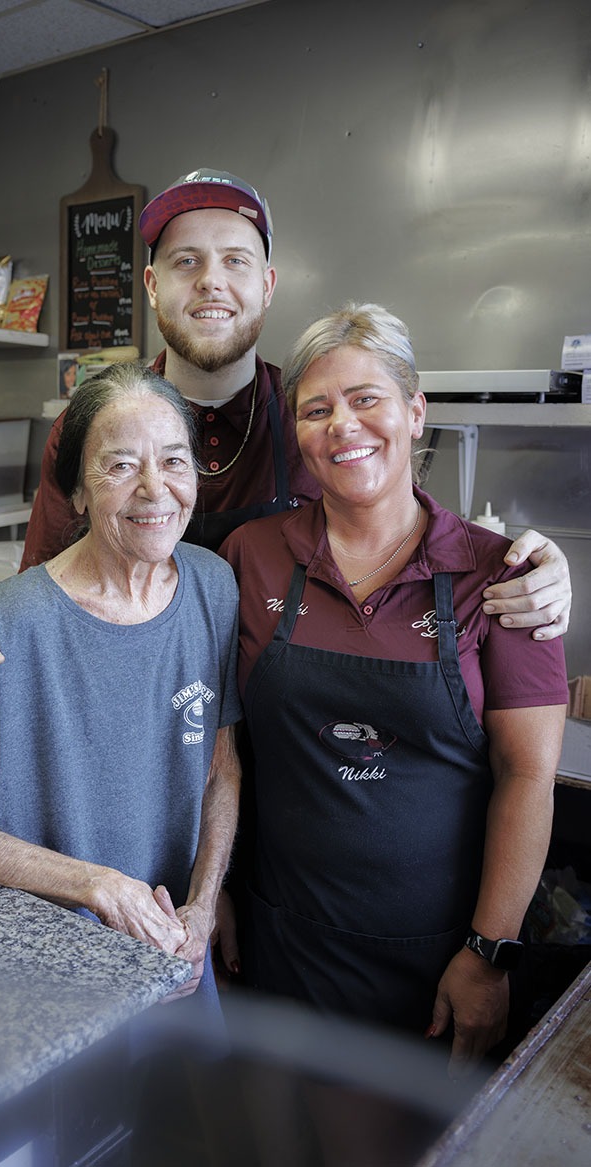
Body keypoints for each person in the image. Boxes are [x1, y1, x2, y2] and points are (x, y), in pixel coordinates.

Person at [0, 168, 570, 712]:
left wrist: (535, 569)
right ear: (151, 287)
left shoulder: (313, 423)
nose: (210, 280)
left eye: (235, 259)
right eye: (185, 262)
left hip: (281, 746)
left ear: (267, 284)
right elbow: (36, 594)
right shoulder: (90, 426)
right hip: (127, 718)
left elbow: (411, 551)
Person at [219, 303, 567, 1075]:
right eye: (317, 408)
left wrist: (489, 952)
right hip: (277, 942)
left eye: (366, 398)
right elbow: (216, 743)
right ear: (299, 435)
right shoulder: (253, 555)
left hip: (434, 962)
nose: (342, 424)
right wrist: (214, 890)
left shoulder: (503, 575)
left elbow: (528, 775)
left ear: (415, 412)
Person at [0, 364, 243, 1004]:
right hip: (42, 969)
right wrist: (100, 886)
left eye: (174, 461)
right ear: (79, 494)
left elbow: (221, 768)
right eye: (120, 466)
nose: (155, 490)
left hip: (172, 952)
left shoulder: (213, 587)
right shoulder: (7, 621)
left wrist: (202, 904)